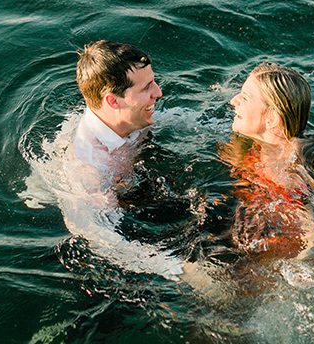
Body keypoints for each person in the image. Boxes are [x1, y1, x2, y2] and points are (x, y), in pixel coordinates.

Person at [22, 40, 197, 281]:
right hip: (56, 235)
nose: (158, 92)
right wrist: (175, 268)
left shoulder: (128, 118)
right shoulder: (90, 168)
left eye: (154, 82)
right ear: (113, 101)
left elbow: (182, 121)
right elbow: (94, 234)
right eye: (147, 88)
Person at [221, 61, 314, 264]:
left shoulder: (295, 163)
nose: (233, 101)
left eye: (244, 98)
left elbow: (313, 226)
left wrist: (301, 262)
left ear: (272, 119)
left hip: (284, 248)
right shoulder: (250, 147)